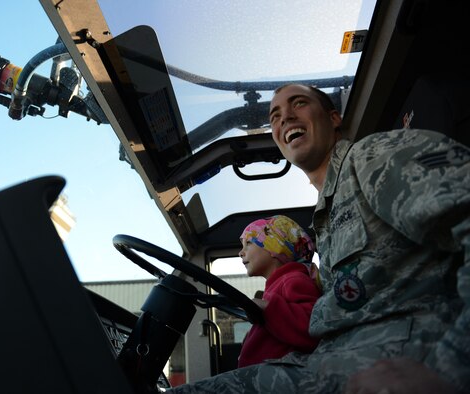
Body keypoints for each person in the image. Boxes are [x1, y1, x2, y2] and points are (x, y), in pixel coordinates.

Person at [169, 83, 469, 393]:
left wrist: (450, 369)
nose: (284, 118)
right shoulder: (327, 212)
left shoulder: (373, 157)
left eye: (298, 103)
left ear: (334, 118)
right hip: (332, 360)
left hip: (398, 358)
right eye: (274, 116)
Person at [237, 215, 321, 368]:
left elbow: (313, 326)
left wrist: (267, 308)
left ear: (274, 247)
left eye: (248, 243)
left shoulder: (293, 279)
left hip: (276, 375)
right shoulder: (276, 284)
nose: (240, 252)